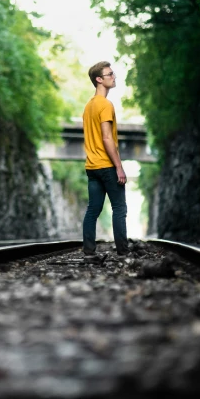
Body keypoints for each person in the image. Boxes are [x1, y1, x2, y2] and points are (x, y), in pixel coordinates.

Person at [81, 61, 128, 262]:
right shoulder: (105, 105)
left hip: (92, 167)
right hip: (107, 165)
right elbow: (107, 138)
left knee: (93, 209)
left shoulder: (88, 106)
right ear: (99, 79)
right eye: (109, 74)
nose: (114, 76)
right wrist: (119, 167)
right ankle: (122, 252)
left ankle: (89, 251)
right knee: (119, 208)